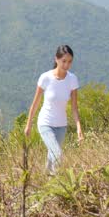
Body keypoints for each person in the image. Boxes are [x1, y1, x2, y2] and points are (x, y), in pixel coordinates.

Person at [23, 44, 83, 174]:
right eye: (64, 61)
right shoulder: (46, 78)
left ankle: (46, 182)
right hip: (45, 123)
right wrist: (29, 124)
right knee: (57, 154)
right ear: (56, 59)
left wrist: (79, 127)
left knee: (52, 156)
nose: (66, 65)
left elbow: (74, 107)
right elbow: (35, 104)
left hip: (61, 125)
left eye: (70, 62)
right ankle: (58, 185)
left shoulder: (72, 79)